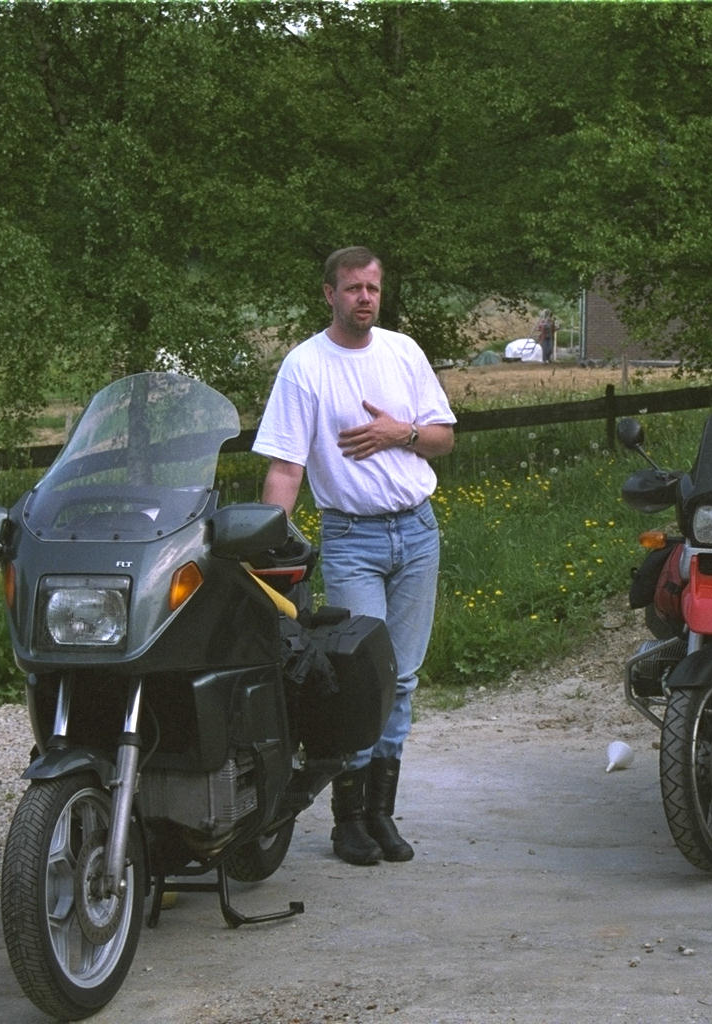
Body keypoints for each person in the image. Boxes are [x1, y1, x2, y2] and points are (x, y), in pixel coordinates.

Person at [253, 246, 456, 866]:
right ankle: (347, 821)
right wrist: (267, 545)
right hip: (353, 539)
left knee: (401, 679)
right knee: (356, 675)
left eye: (372, 287)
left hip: (417, 532)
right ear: (329, 294)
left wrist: (403, 434)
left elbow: (443, 439)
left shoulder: (404, 352)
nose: (364, 297)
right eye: (352, 288)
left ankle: (380, 813)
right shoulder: (305, 366)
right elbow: (287, 466)